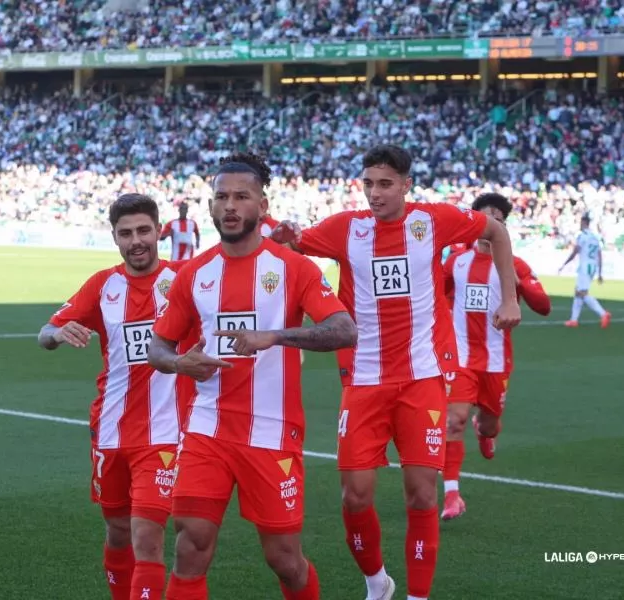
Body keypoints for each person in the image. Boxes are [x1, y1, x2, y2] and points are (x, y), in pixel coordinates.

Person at [272, 144, 521, 600]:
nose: (375, 193)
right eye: (368, 183)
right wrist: (283, 235)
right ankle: (377, 583)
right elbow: (289, 246)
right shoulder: (345, 229)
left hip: (422, 378)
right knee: (354, 496)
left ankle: (417, 597)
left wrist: (509, 297)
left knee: (421, 495)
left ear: (407, 185)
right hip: (364, 380)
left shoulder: (434, 220)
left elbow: (497, 231)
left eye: (386, 184)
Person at [147, 152, 357, 600]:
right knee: (190, 546)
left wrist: (275, 336)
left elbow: (344, 330)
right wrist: (179, 363)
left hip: (272, 431)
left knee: (285, 560)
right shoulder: (194, 274)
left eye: (242, 196)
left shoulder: (293, 268)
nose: (230, 205)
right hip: (207, 429)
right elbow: (157, 347)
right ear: (210, 205)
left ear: (263, 206)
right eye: (221, 196)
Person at [38, 193, 195, 600]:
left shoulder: (184, 279)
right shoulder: (102, 285)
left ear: (158, 231)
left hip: (164, 432)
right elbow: (44, 334)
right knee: (118, 531)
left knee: (147, 537)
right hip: (110, 430)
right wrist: (58, 333)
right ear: (114, 237)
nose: (136, 241)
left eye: (143, 230)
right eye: (126, 234)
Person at [440, 193, 552, 520]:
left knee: (489, 425)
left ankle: (484, 430)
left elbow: (544, 306)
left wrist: (518, 284)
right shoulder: (456, 262)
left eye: (498, 221)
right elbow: (434, 293)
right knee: (453, 420)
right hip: (460, 358)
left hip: (496, 362)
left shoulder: (515, 265)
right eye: (485, 220)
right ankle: (451, 495)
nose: (491, 226)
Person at [558, 215, 611, 328]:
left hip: (585, 267)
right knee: (578, 291)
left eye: (581, 223)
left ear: (584, 223)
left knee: (582, 292)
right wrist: (600, 272)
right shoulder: (595, 237)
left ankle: (603, 313)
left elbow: (575, 251)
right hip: (592, 267)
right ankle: (573, 320)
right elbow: (599, 255)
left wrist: (564, 264)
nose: (580, 225)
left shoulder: (582, 236)